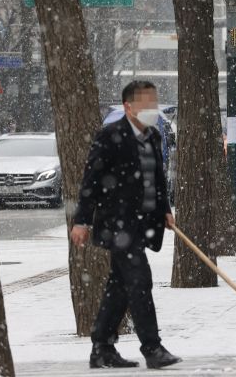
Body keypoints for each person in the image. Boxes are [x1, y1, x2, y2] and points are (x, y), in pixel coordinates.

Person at [70, 80, 182, 369]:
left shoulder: (154, 135)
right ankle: (152, 349)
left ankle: (102, 348)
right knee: (140, 281)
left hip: (143, 224)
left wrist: (165, 210)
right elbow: (91, 181)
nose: (150, 109)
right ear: (128, 106)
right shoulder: (110, 135)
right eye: (144, 103)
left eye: (153, 103)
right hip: (117, 225)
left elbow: (158, 179)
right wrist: (82, 221)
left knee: (119, 287)